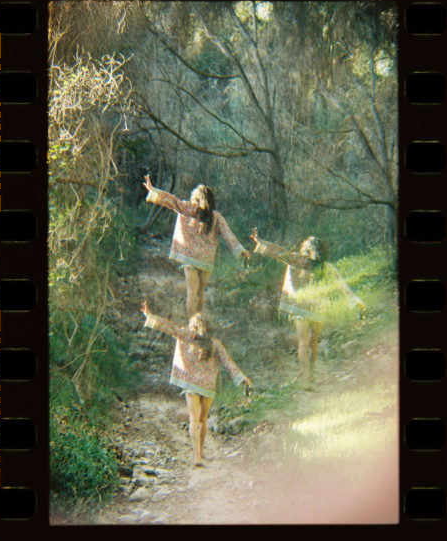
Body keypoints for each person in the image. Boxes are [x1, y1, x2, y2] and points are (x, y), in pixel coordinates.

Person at [249, 230, 366, 390]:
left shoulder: (307, 263)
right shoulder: (322, 266)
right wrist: (261, 241)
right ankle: (308, 378)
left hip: (306, 307)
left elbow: (279, 252)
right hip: (310, 308)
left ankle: (308, 378)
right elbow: (342, 287)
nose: (314, 252)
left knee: (307, 342)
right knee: (310, 343)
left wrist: (261, 242)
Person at [141, 301, 252, 467]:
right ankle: (201, 451)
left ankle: (197, 458)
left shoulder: (185, 335)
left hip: (191, 386)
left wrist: (149, 316)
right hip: (207, 387)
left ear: (192, 325)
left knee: (193, 419)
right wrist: (243, 378)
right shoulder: (215, 343)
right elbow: (228, 363)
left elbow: (167, 326)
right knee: (203, 420)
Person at [143, 174, 250, 316]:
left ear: (196, 199)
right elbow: (228, 235)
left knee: (191, 294)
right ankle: (198, 323)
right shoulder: (217, 217)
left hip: (191, 260)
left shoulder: (189, 209)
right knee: (200, 295)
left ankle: (192, 326)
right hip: (206, 262)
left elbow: (171, 201)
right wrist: (241, 251)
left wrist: (153, 190)